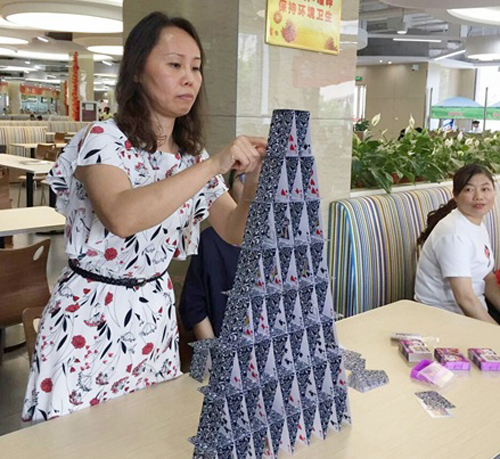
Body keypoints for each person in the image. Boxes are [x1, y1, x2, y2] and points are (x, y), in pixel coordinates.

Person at [22, 11, 266, 423]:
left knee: (145, 436)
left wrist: (254, 180)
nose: (189, 79)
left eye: (196, 68)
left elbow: (234, 230)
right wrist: (215, 164)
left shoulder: (191, 156)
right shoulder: (103, 139)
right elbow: (122, 215)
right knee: (76, 442)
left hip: (153, 317)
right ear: (137, 71)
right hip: (90, 316)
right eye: (174, 65)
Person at [415, 164, 500, 324]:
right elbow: (464, 298)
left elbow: (487, 277)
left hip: (475, 311)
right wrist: (495, 333)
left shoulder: (475, 223)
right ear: (455, 195)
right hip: (445, 319)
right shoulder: (453, 233)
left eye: (485, 189)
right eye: (469, 190)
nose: (479, 197)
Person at [179, 170, 244, 339]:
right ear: (228, 190)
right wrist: (211, 352)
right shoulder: (210, 240)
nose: (255, 185)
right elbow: (193, 306)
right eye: (244, 178)